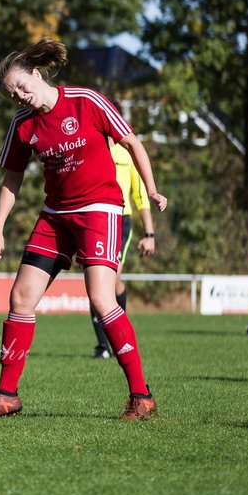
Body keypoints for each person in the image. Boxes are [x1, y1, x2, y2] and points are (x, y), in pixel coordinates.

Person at [0, 39, 168, 421]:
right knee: (20, 299)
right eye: (12, 94)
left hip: (99, 210)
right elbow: (11, 180)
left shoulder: (86, 100)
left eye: (22, 87)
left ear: (37, 74)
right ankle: (6, 395)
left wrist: (150, 189)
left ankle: (141, 395)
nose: (20, 97)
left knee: (101, 299)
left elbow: (132, 142)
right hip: (54, 216)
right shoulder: (22, 124)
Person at [87, 139, 156, 358]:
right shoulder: (90, 147)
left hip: (120, 219)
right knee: (95, 279)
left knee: (112, 278)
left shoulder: (127, 153)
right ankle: (102, 346)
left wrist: (149, 233)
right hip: (94, 216)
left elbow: (140, 195)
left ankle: (119, 337)